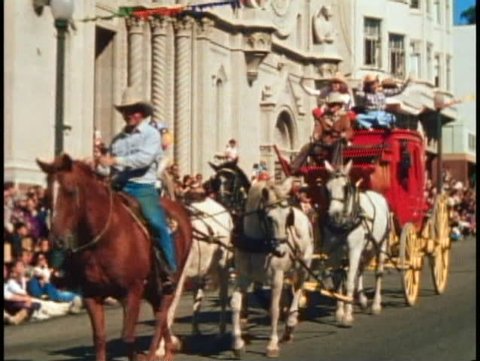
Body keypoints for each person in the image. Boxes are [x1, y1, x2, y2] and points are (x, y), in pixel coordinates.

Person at [95, 87, 177, 293]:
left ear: (142, 112)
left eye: (133, 110)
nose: (128, 114)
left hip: (142, 188)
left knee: (157, 223)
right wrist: (98, 161)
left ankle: (168, 269)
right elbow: (109, 169)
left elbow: (144, 160)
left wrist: (114, 159)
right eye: (125, 110)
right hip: (118, 186)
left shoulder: (151, 134)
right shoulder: (118, 139)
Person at [290, 92, 356, 174]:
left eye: (334, 105)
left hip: (338, 141)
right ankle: (295, 168)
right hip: (325, 143)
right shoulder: (324, 117)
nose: (331, 107)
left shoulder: (345, 117)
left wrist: (345, 135)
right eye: (330, 105)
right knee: (308, 146)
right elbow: (319, 127)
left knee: (338, 145)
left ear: (339, 106)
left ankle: (335, 168)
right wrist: (316, 134)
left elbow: (349, 130)